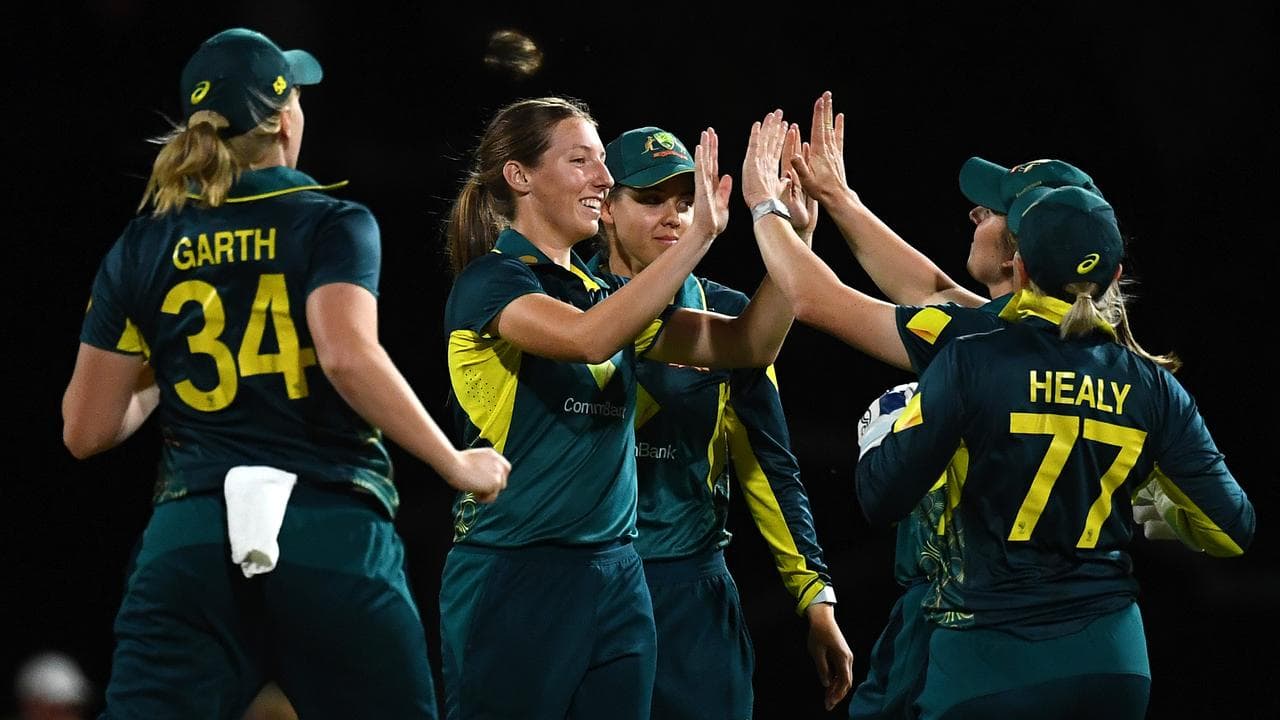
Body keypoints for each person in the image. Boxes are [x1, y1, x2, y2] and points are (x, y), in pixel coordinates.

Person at [60, 28, 509, 720]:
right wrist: (453, 462)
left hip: (191, 539)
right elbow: (345, 354)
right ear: (282, 118)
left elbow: (85, 431)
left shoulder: (143, 241)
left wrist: (172, 356)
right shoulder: (330, 222)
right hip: (327, 529)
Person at [765, 91, 1185, 718]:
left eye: (992, 211)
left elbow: (813, 298)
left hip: (967, 624)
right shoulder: (1065, 347)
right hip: (1087, 637)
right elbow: (933, 288)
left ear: (1024, 251)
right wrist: (839, 199)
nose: (973, 213)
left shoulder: (976, 345)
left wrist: (761, 208)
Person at [438, 101, 807, 719]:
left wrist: (781, 227)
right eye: (580, 160)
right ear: (519, 177)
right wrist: (695, 238)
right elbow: (588, 340)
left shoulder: (607, 298)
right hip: (515, 572)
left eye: (603, 162)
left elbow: (751, 344)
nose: (603, 179)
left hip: (617, 576)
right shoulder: (491, 283)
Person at [854, 184, 1254, 718]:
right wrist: (1155, 505)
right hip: (1114, 667)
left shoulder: (971, 359)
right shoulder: (1155, 387)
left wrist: (882, 430)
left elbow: (880, 497)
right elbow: (1232, 528)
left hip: (989, 663)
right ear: (1115, 275)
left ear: (1019, 269)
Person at [587, 125, 854, 716]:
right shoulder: (560, 298)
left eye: (686, 202)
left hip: (689, 593)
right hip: (585, 581)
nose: (674, 217)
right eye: (651, 199)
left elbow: (767, 465)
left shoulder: (733, 320)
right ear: (605, 205)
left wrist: (816, 598)